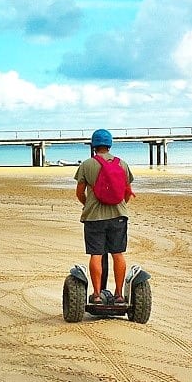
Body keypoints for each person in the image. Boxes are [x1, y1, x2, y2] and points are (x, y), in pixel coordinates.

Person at [74, 129, 134, 305]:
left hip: (94, 217)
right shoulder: (122, 164)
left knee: (96, 255)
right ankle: (119, 295)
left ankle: (97, 295)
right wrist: (119, 205)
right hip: (118, 216)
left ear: (93, 145)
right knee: (118, 254)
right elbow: (128, 193)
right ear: (109, 145)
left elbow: (79, 193)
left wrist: (88, 205)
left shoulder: (86, 164)